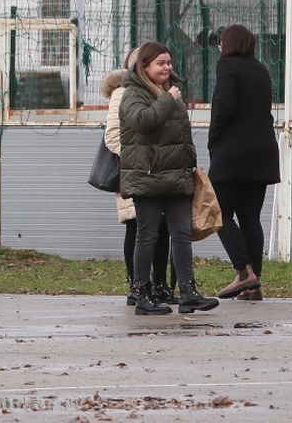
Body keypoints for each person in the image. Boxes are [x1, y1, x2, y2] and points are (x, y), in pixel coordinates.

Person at [119, 41, 219, 315]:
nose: (167, 67)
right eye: (160, 63)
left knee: (182, 234)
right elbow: (142, 122)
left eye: (169, 62)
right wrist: (167, 99)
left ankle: (188, 292)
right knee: (147, 236)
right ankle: (140, 293)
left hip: (176, 176)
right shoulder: (133, 94)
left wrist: (190, 167)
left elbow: (180, 136)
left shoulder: (168, 92)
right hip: (148, 177)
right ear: (144, 66)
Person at [207, 25, 279, 301]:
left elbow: (225, 104)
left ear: (228, 44)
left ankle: (243, 270)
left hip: (233, 151)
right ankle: (254, 284)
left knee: (219, 213)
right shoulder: (260, 69)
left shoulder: (227, 66)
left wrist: (214, 138)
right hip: (263, 151)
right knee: (250, 216)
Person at [102, 48, 175, 306]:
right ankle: (137, 286)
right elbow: (112, 136)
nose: (165, 68)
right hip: (136, 172)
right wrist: (141, 158)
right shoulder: (122, 93)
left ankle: (160, 286)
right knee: (138, 228)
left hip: (162, 172)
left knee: (163, 229)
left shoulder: (163, 92)